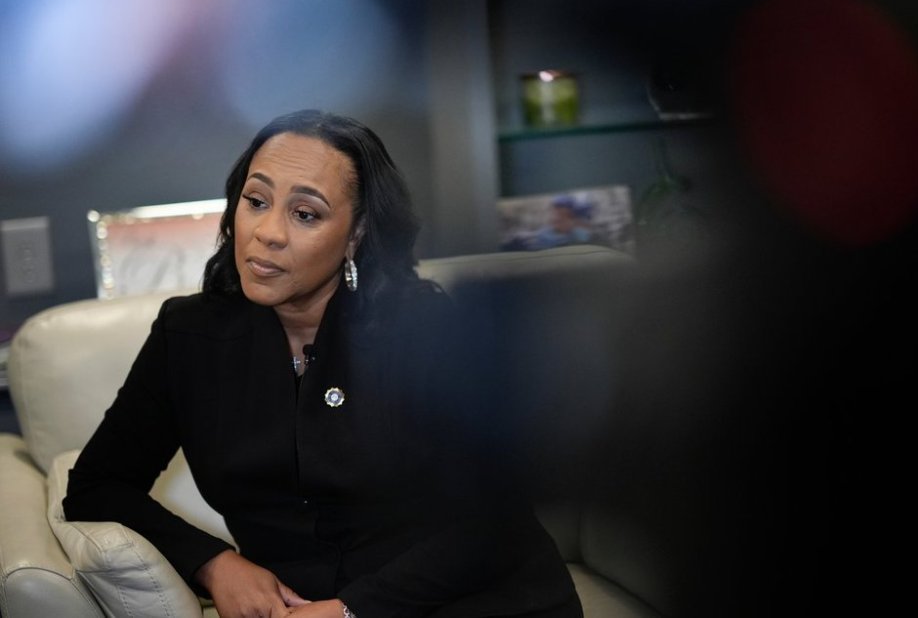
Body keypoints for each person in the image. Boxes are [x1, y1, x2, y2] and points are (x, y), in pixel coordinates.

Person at [64, 110, 582, 618]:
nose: (268, 232)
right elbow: (96, 486)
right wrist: (214, 564)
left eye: (305, 214)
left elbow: (495, 520)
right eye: (256, 201)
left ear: (356, 234)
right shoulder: (188, 336)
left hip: (465, 601)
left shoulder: (427, 332)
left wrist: (352, 610)